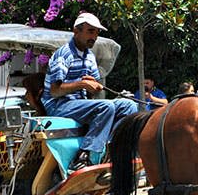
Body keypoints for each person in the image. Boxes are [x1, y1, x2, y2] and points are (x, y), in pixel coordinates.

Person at [42, 12, 138, 171]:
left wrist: (93, 86)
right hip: (59, 105)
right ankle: (85, 156)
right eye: (90, 31)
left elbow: (92, 93)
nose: (94, 37)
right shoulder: (64, 54)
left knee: (129, 106)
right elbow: (55, 91)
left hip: (78, 104)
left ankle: (112, 150)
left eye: (96, 33)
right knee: (106, 107)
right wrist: (82, 84)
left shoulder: (89, 57)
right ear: (76, 31)